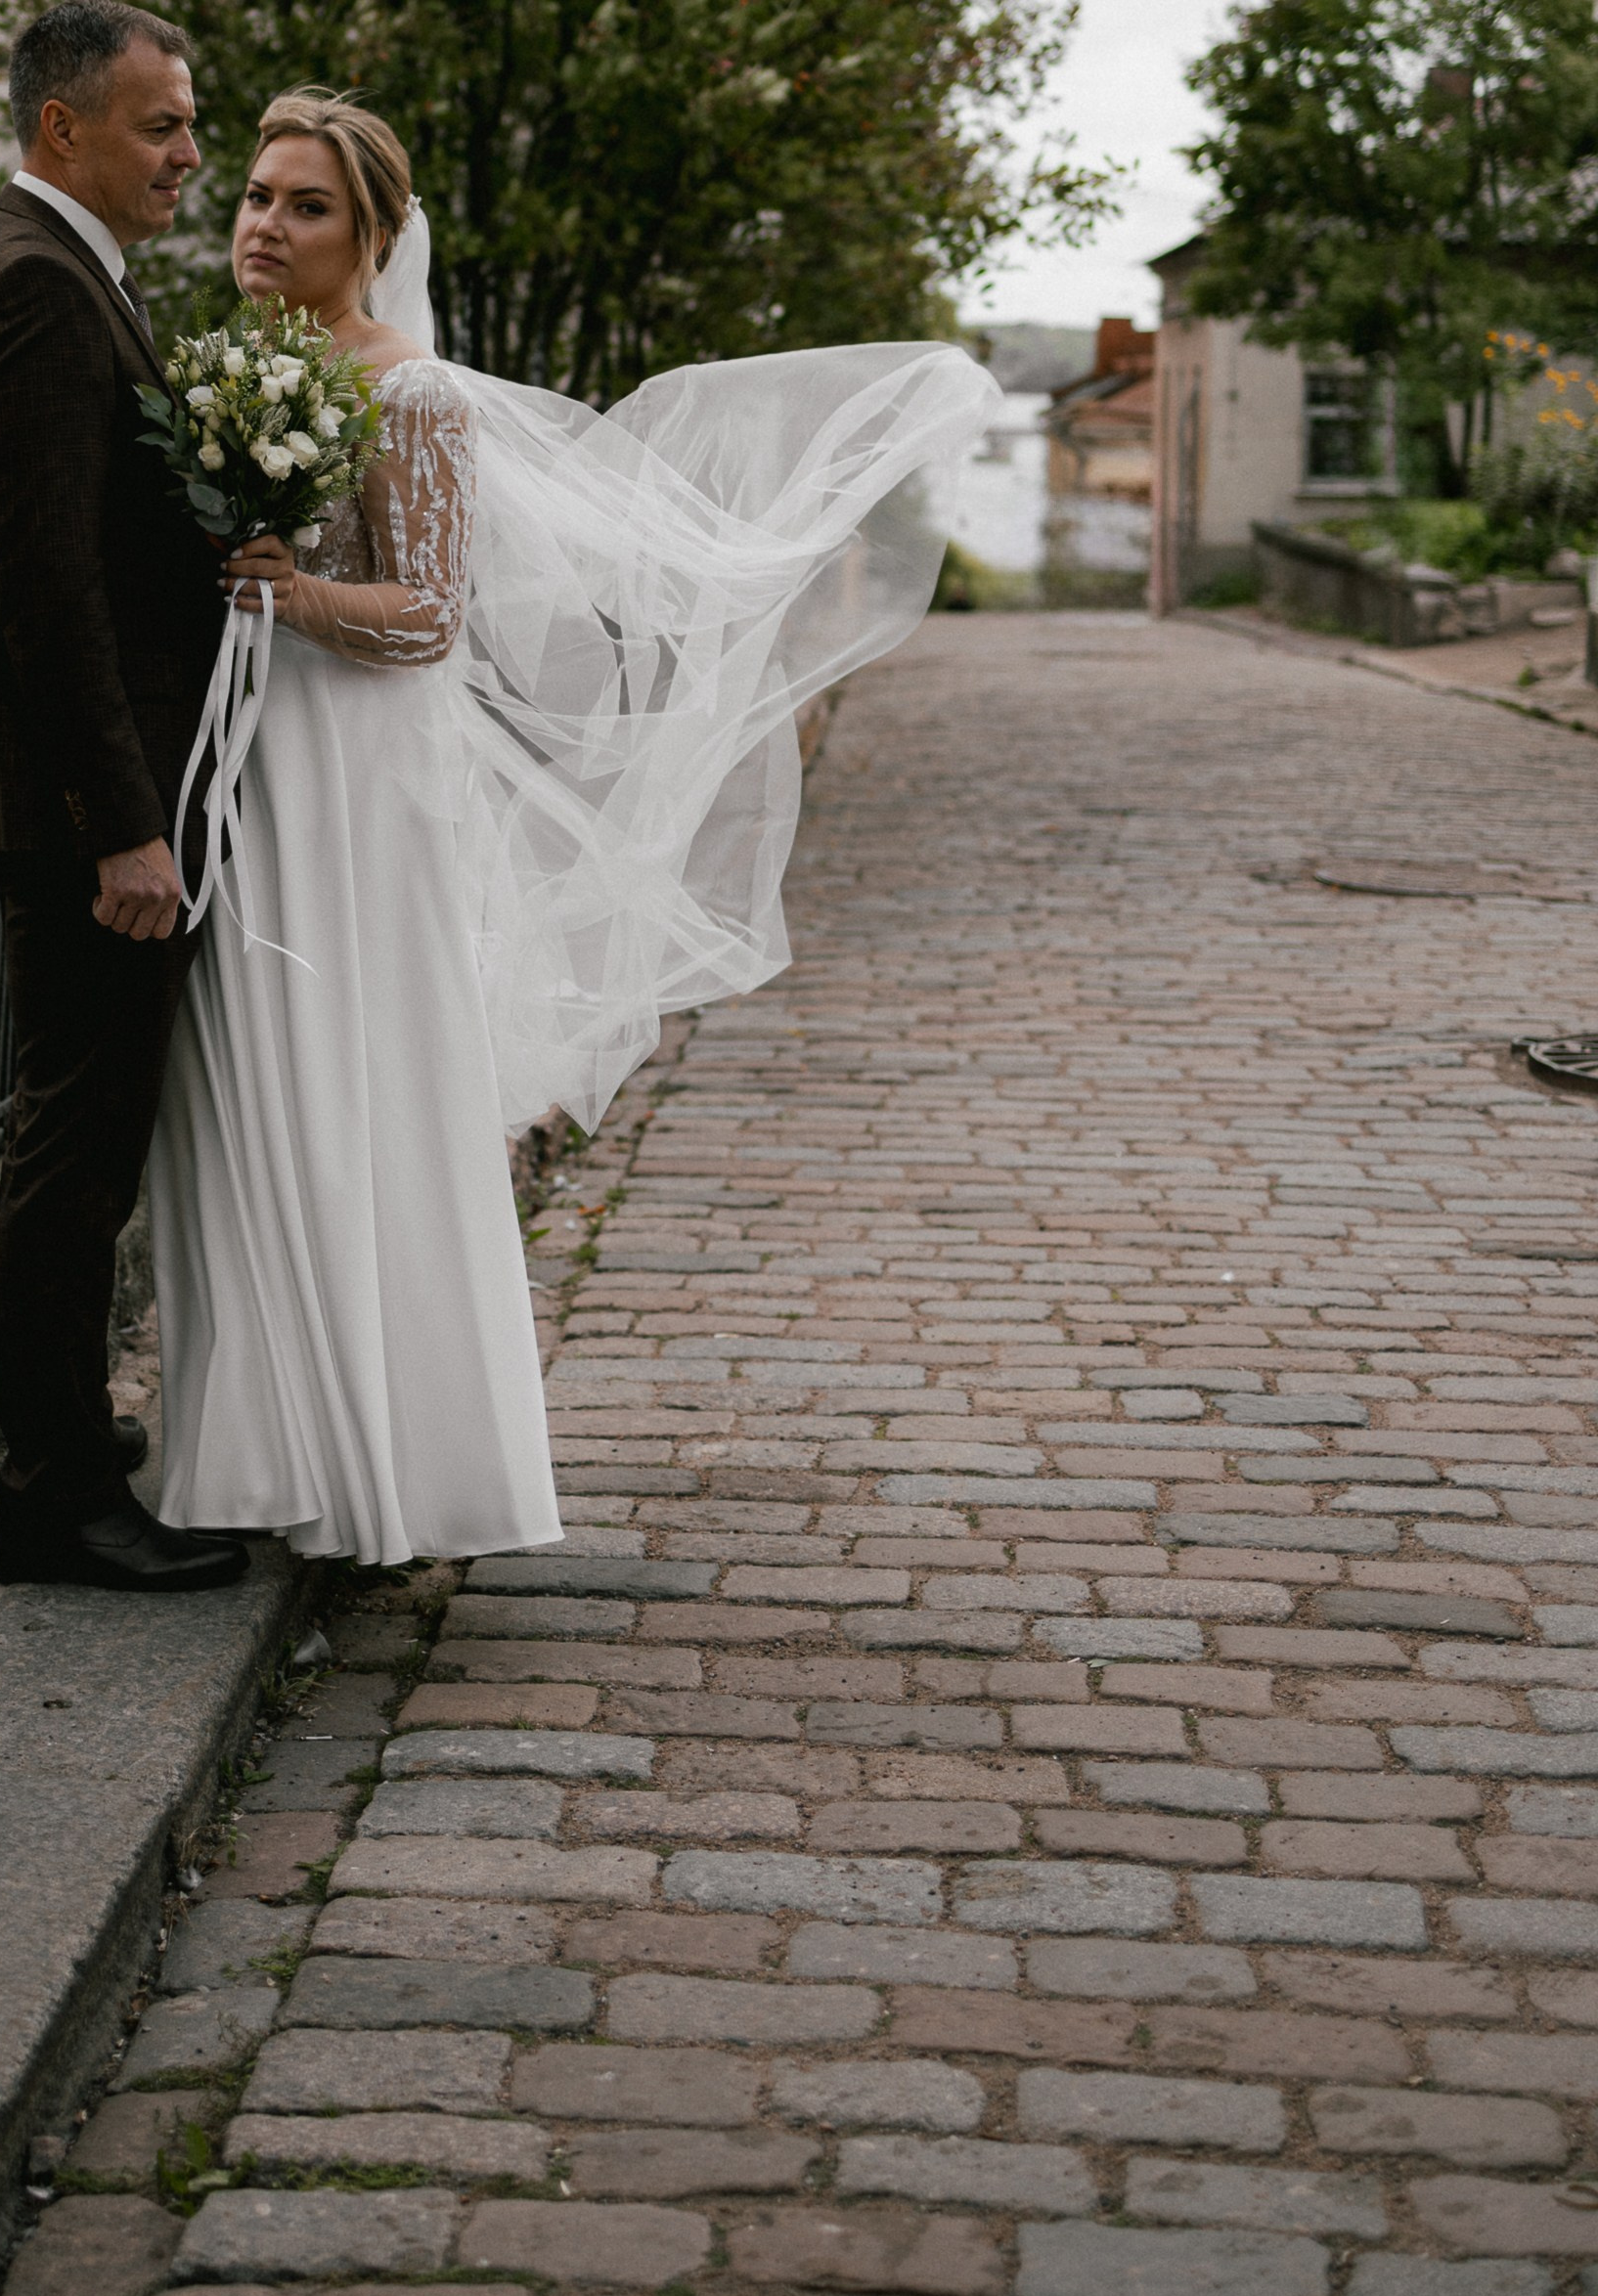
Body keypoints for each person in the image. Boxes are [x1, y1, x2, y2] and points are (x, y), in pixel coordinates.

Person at [146, 92, 1001, 1567]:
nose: (264, 228)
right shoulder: (241, 373)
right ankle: (253, 1448)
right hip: (263, 767)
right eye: (258, 198)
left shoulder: (411, 397)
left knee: (360, 1082)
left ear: (374, 238)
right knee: (252, 1089)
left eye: (308, 208)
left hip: (362, 778)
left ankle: (385, 1458)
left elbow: (425, 617)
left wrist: (283, 592)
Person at [0, 0, 249, 1594]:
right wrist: (126, 823)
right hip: (80, 817)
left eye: (191, 125)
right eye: (163, 124)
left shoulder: (49, 267)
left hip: (79, 796)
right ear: (66, 130)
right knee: (74, 1150)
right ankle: (52, 1496)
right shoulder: (39, 291)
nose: (195, 154)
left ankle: (75, 1453)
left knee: (85, 1136)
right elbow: (49, 594)